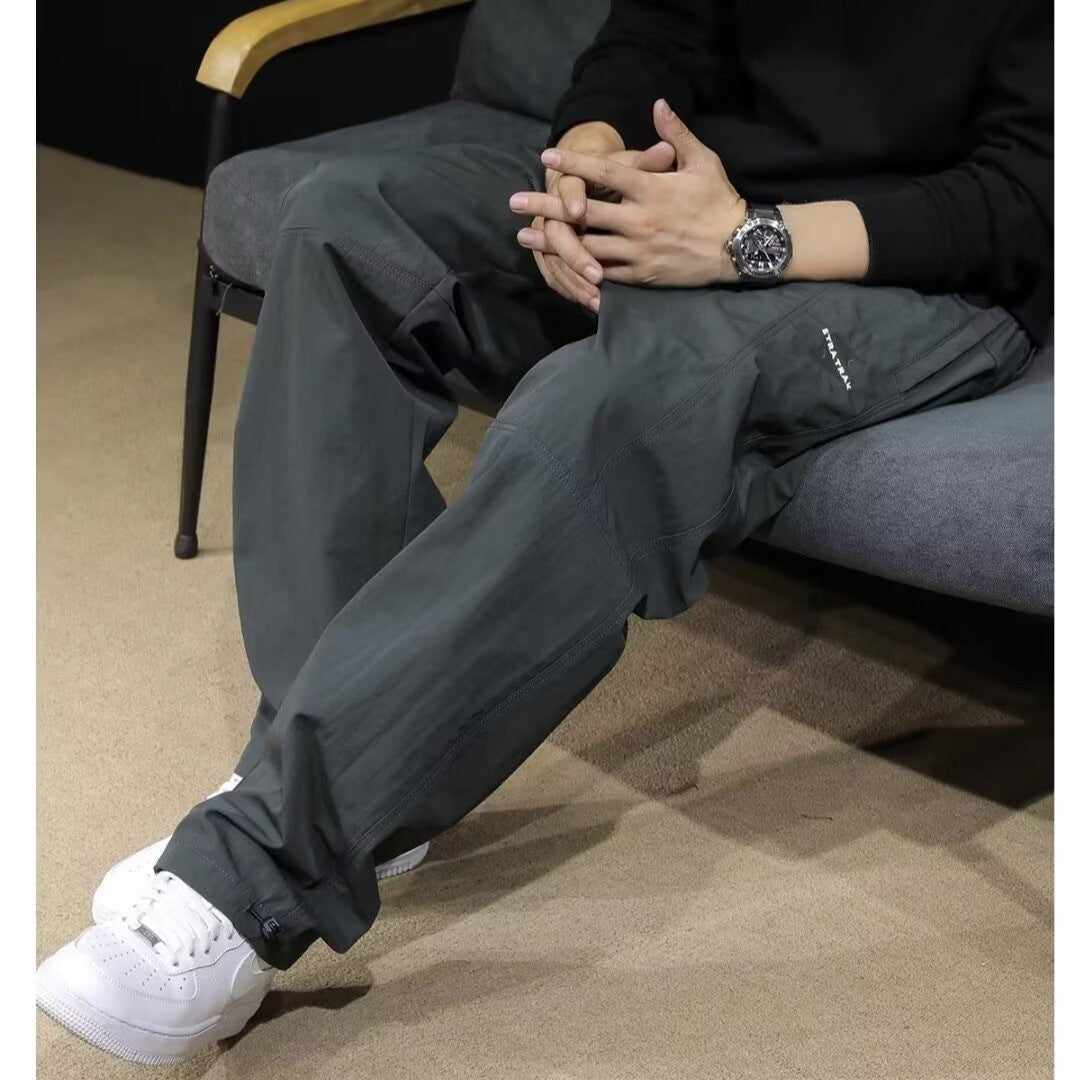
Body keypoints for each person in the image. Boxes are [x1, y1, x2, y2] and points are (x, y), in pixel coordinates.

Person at [37, 0, 1051, 1065]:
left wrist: (744, 241)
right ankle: (346, 771)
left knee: (608, 401)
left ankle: (253, 873)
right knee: (342, 222)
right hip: (684, 201)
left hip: (910, 270)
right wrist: (589, 162)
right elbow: (653, 33)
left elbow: (1033, 199)